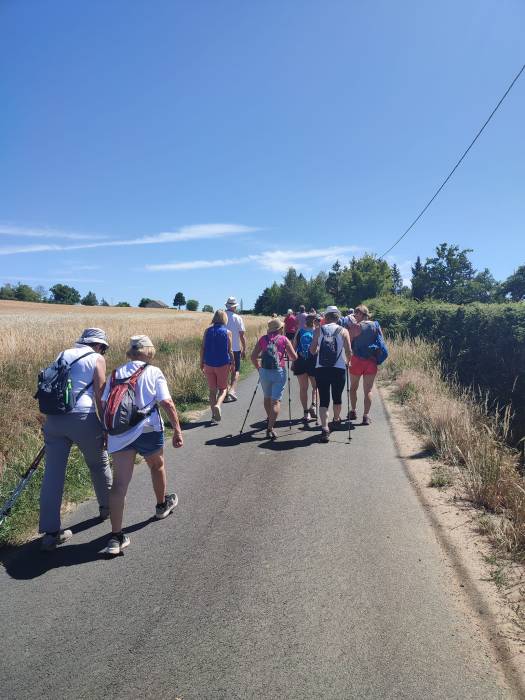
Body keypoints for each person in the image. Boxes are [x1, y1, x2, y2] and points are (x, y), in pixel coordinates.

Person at [102, 335, 183, 555]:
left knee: (119, 484)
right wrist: (176, 428)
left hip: (119, 433)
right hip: (148, 429)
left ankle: (115, 537)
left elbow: (104, 405)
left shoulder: (115, 373)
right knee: (157, 466)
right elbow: (166, 402)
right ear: (148, 352)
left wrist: (106, 432)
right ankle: (161, 506)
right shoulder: (153, 372)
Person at [39, 328, 113, 551]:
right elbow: (100, 396)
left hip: (54, 419)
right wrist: (106, 426)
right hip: (83, 417)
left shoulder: (63, 354)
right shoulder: (97, 358)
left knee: (53, 474)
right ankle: (108, 508)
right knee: (99, 463)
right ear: (99, 346)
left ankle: (50, 534)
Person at [309, 306, 352, 443]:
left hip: (321, 368)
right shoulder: (344, 331)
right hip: (338, 368)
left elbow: (312, 350)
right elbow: (349, 351)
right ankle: (335, 419)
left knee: (324, 399)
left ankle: (324, 427)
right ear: (338, 317)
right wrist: (348, 362)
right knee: (337, 397)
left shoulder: (318, 330)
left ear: (325, 318)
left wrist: (317, 351)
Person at [250, 318, 297, 440]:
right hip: (278, 372)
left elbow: (253, 356)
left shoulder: (263, 339)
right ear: (280, 329)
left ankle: (269, 418)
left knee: (267, 397)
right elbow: (294, 357)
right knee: (276, 401)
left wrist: (259, 368)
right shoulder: (284, 339)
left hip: (264, 372)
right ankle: (270, 427)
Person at [347, 304, 380, 425]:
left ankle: (353, 411)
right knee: (368, 390)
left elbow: (348, 344)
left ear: (362, 314)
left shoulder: (356, 327)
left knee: (353, 387)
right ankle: (366, 416)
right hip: (371, 361)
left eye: (357, 313)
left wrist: (346, 358)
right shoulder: (375, 325)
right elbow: (380, 341)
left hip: (356, 360)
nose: (355, 315)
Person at [200, 310, 234, 425]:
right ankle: (218, 406)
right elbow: (230, 350)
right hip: (223, 364)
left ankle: (214, 416)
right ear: (224, 319)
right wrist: (233, 363)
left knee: (212, 391)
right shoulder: (228, 332)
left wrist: (201, 362)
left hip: (208, 364)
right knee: (224, 389)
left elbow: (203, 348)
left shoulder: (207, 331)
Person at [292, 314, 317, 425]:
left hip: (300, 360)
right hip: (314, 361)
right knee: (316, 387)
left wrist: (293, 362)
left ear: (305, 321)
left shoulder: (299, 331)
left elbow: (294, 347)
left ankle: (305, 413)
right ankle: (313, 406)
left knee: (303, 388)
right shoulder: (318, 331)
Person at [224, 296, 246, 402]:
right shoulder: (238, 318)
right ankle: (232, 390)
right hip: (235, 348)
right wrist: (244, 348)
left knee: (225, 371)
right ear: (234, 307)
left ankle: (226, 391)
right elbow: (242, 335)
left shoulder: (221, 317)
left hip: (223, 349)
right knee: (236, 370)